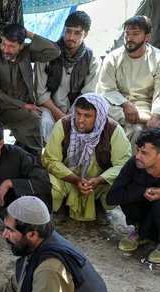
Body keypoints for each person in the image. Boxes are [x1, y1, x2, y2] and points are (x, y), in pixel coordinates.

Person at [41, 93, 131, 223]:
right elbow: (50, 160)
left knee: (122, 184)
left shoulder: (113, 130)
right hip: (68, 178)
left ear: (99, 116)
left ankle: (99, 206)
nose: (80, 119)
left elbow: (123, 164)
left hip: (98, 184)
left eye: (87, 116)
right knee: (48, 183)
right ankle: (60, 206)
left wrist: (98, 180)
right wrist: (76, 179)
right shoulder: (63, 125)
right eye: (78, 113)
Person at [0, 23, 60, 156]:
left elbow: (54, 51)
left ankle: (26, 157)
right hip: (3, 108)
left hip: (27, 106)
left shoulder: (26, 51)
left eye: (11, 46)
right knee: (32, 119)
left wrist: (30, 34)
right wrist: (24, 106)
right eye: (3, 43)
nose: (5, 49)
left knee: (43, 119)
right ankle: (36, 159)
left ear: (21, 46)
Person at [35, 11, 100, 140]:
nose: (70, 37)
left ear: (85, 34)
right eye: (68, 31)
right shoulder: (47, 53)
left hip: (77, 111)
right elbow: (39, 92)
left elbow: (87, 95)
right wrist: (56, 112)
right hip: (48, 108)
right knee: (43, 123)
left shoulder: (92, 59)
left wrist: (71, 114)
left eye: (77, 33)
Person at [97, 15, 160, 148]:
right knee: (98, 104)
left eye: (136, 34)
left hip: (146, 107)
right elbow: (106, 89)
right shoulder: (113, 58)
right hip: (118, 106)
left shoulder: (157, 59)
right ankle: (144, 119)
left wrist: (155, 116)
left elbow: (159, 94)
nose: (129, 39)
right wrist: (125, 103)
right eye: (127, 34)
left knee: (137, 130)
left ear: (147, 37)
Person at [106, 127, 160, 264]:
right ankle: (141, 233)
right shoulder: (133, 165)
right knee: (129, 192)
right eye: (137, 151)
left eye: (144, 153)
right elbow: (112, 197)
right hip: (143, 220)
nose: (138, 156)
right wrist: (142, 191)